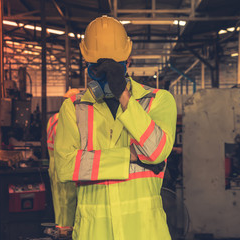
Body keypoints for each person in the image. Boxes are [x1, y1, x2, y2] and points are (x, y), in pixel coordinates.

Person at [54, 15, 177, 240]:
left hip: (145, 232)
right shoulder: (73, 108)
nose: (105, 75)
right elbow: (65, 167)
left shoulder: (158, 100)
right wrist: (130, 156)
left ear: (127, 61)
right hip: (94, 232)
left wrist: (123, 95)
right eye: (99, 69)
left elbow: (157, 151)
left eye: (113, 69)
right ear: (87, 65)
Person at [47, 90, 79, 236]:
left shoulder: (53, 118)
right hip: (65, 164)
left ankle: (60, 227)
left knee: (58, 199)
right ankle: (66, 231)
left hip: (53, 164)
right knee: (68, 199)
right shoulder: (67, 120)